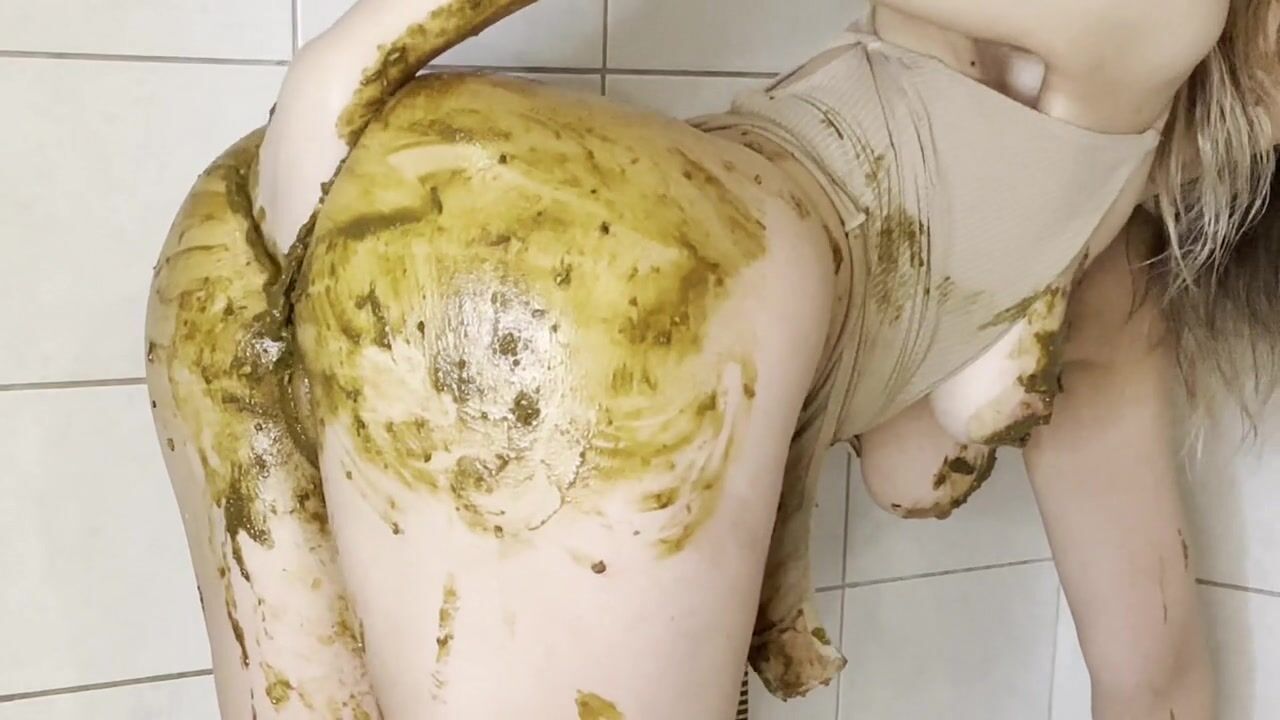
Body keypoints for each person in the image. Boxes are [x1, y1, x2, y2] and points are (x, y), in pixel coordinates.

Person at [143, 0, 1279, 717]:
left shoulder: (1097, 272)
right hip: (608, 274)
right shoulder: (1150, 56)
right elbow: (1156, 681)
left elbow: (1147, 671)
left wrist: (347, 67)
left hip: (264, 216)